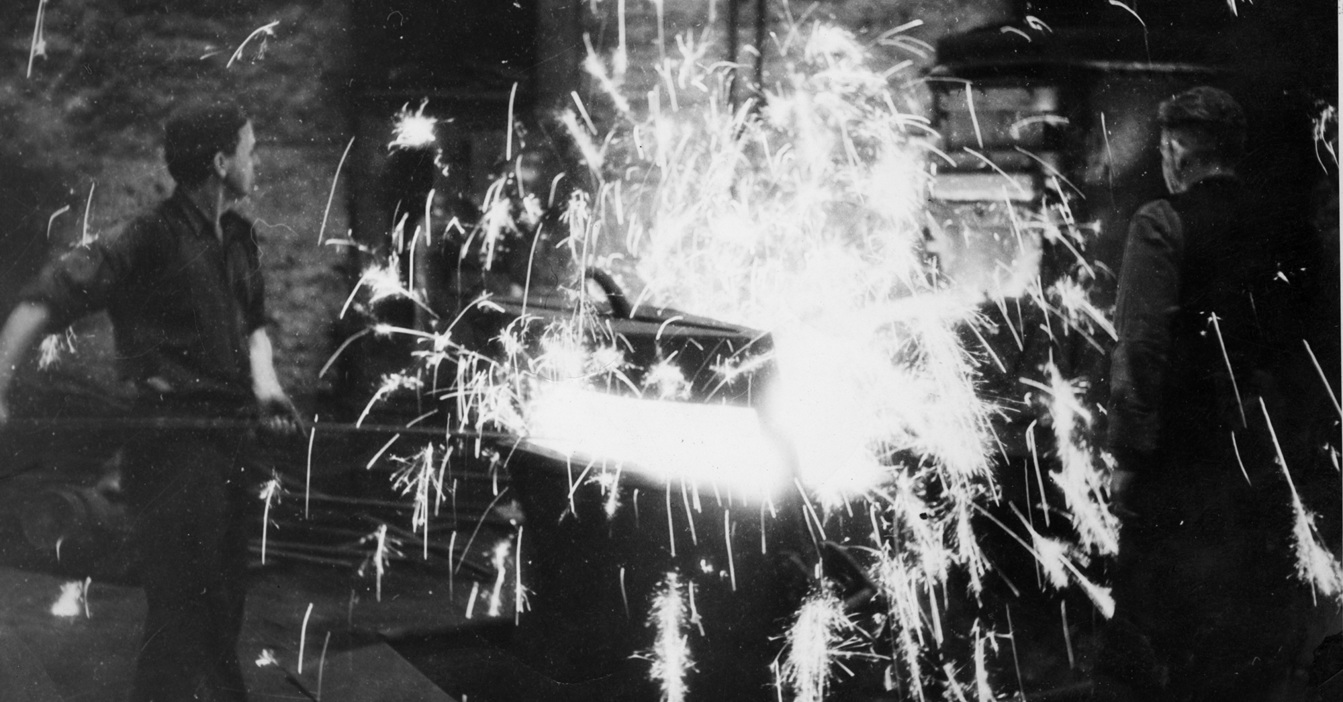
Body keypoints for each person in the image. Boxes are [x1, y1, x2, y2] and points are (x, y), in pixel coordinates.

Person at [0, 98, 299, 701]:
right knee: (179, 622)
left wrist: (265, 387)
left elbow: (255, 324)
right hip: (172, 454)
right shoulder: (147, 237)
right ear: (220, 162)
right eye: (250, 149)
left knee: (222, 617)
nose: (256, 161)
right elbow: (41, 301)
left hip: (230, 445)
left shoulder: (238, 238)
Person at [1099, 86, 1336, 700]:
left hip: (1181, 466)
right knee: (1252, 649)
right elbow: (1317, 349)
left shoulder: (1161, 224)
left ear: (1176, 150)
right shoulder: (1296, 232)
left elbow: (1140, 350)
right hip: (1268, 467)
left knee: (1156, 648)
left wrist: (1125, 457)